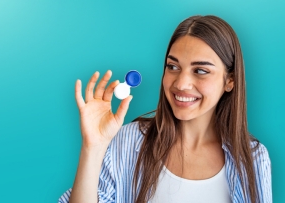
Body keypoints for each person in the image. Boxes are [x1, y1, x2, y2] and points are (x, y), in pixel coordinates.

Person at [58, 15, 272, 203]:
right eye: (173, 67)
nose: (181, 83)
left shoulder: (253, 159)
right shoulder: (127, 141)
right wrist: (93, 147)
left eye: (200, 70)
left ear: (230, 81)